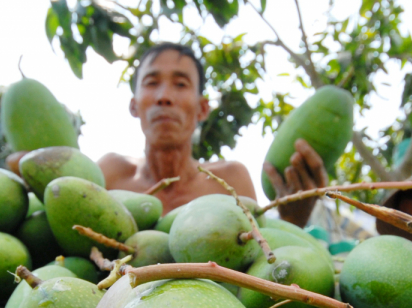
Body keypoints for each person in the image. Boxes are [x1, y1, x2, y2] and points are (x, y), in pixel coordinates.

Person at [97, 43, 326, 227]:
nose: (164, 96)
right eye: (151, 82)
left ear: (203, 108)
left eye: (180, 84)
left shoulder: (230, 182)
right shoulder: (109, 175)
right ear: (134, 105)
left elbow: (256, 260)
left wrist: (293, 220)